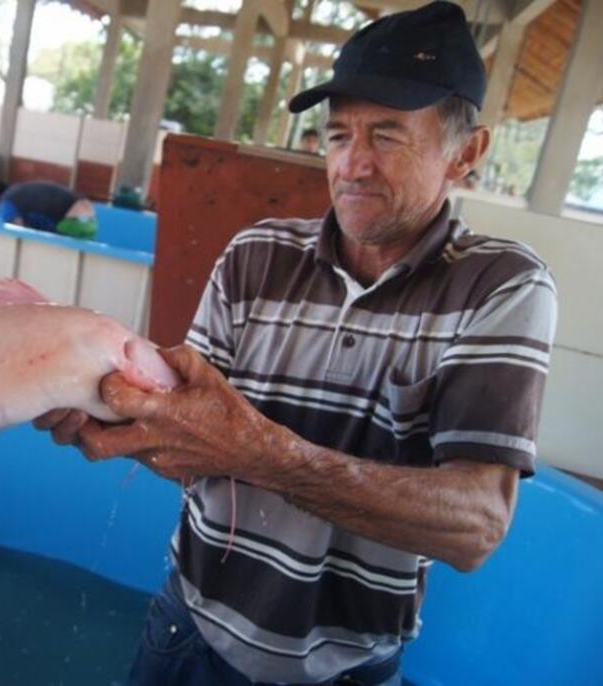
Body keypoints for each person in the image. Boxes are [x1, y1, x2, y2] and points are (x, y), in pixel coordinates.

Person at [35, 3, 556, 685]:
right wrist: (104, 407)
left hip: (344, 670)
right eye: (339, 135)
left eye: (388, 136)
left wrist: (262, 452)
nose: (353, 164)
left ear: (467, 152)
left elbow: (475, 525)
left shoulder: (500, 288)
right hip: (188, 630)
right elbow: (192, 452)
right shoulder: (256, 256)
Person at [0, 179, 97, 239]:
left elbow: (18, 233)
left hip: (72, 220)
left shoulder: (6, 202)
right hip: (89, 220)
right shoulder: (19, 191)